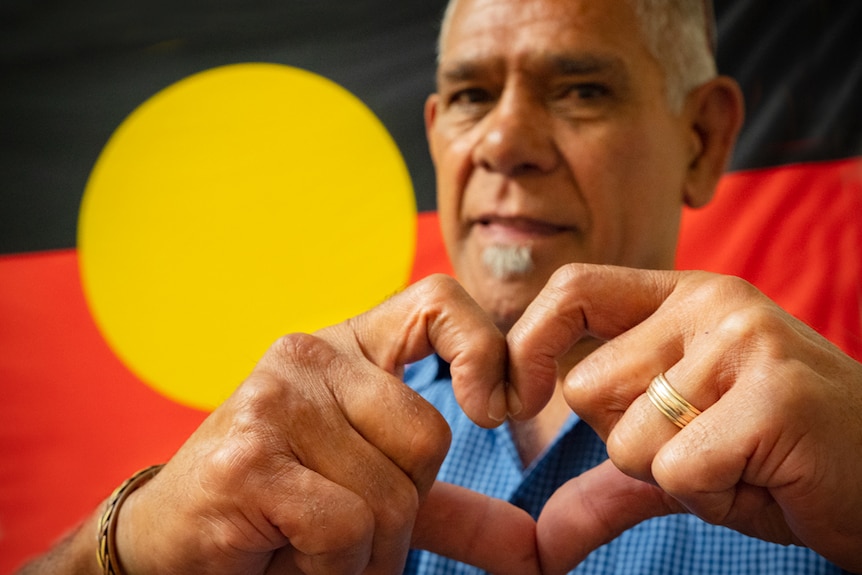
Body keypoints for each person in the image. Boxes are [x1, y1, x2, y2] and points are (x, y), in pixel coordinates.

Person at [18, 0, 862, 573]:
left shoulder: (831, 456)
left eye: (580, 89)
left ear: (703, 137)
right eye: (470, 94)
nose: (502, 141)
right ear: (436, 134)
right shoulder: (297, 450)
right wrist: (127, 546)